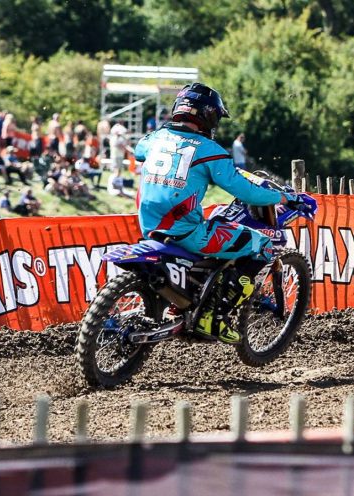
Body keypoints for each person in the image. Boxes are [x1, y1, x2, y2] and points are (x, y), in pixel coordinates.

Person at [135, 82, 315, 343]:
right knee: (262, 244)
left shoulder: (154, 139)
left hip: (149, 227)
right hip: (187, 233)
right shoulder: (210, 151)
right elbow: (247, 193)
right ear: (208, 115)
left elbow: (139, 152)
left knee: (216, 230)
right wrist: (287, 197)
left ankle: (189, 300)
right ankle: (212, 317)